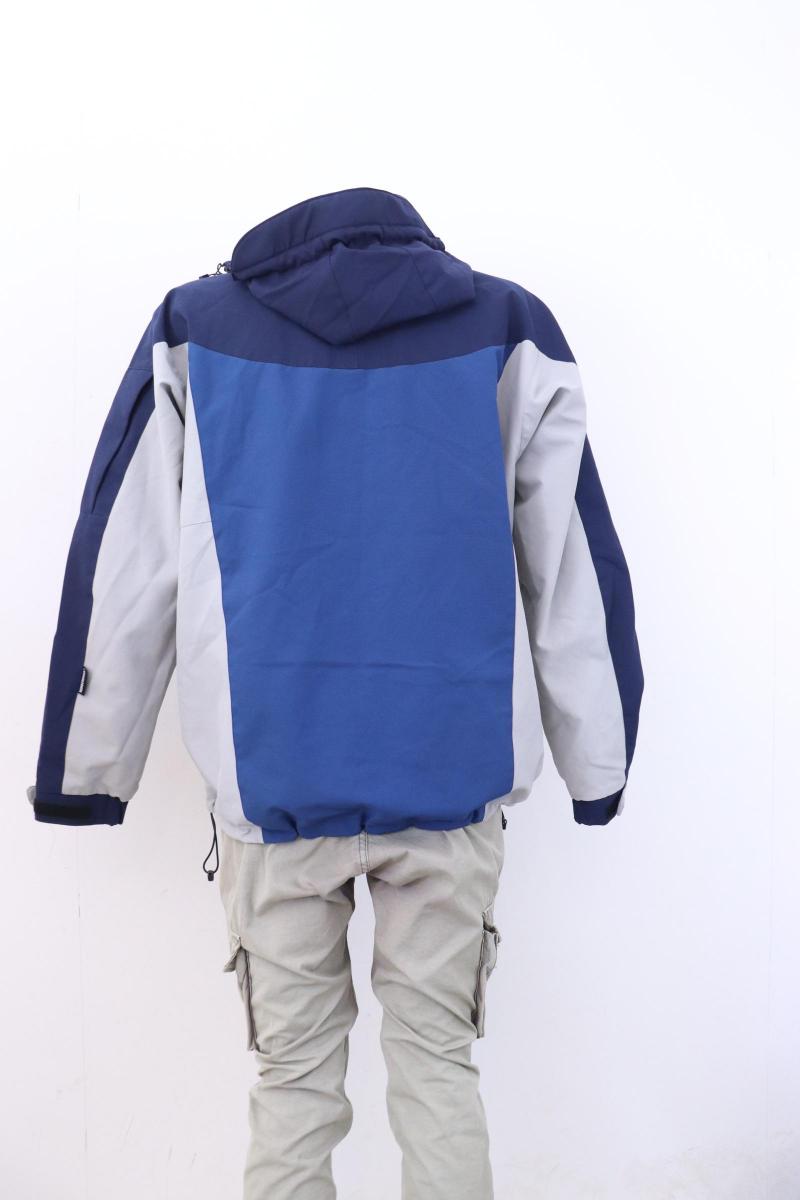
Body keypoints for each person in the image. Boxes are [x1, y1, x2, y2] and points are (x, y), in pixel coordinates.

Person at [27, 187, 644, 1199]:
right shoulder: (506, 325)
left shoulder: (195, 329)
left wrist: (87, 770)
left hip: (274, 786)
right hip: (448, 784)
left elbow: (126, 561)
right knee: (438, 1067)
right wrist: (596, 764)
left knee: (292, 1083)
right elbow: (570, 561)